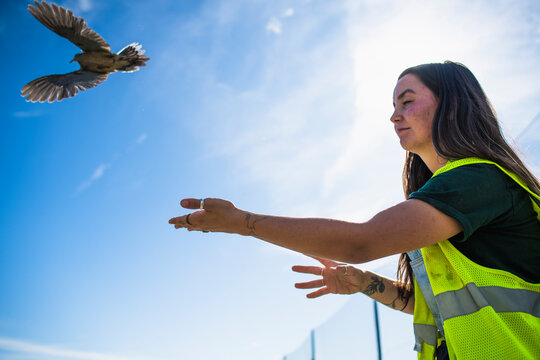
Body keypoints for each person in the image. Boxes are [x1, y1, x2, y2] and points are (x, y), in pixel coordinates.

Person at [169, 61, 540, 359]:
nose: (394, 116)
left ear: (453, 104)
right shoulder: (451, 195)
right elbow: (425, 306)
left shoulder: (477, 180)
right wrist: (365, 283)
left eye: (407, 101)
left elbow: (361, 242)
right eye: (394, 106)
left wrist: (244, 223)